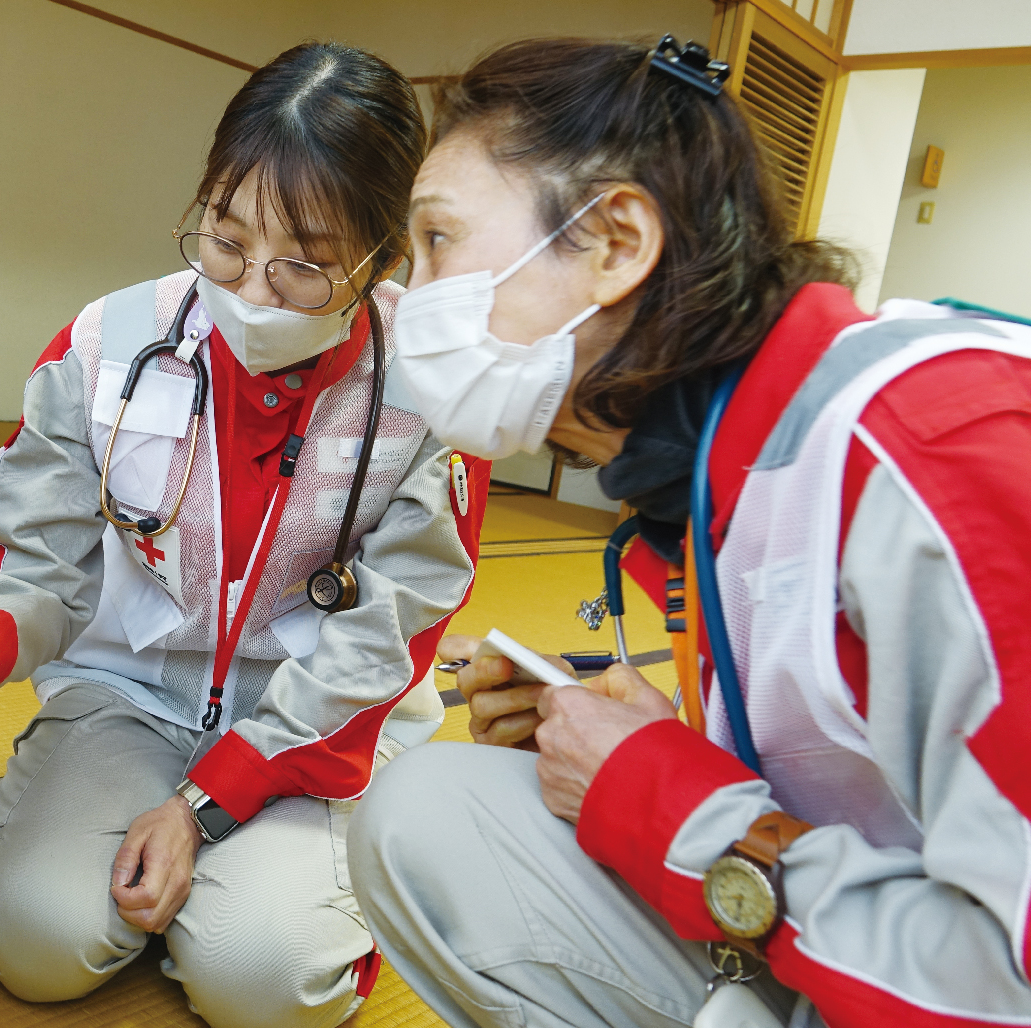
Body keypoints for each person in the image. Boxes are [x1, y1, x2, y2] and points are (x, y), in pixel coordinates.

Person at [348, 36, 1031, 1028]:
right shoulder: (725, 473)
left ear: (619, 242)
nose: (407, 295)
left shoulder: (935, 453)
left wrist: (660, 794)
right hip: (869, 950)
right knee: (434, 806)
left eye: (440, 240)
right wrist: (656, 735)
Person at [0, 43, 487, 1028]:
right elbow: (40, 566)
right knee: (35, 941)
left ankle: (286, 880)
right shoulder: (105, 346)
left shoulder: (436, 404)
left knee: (262, 981)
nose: (254, 292)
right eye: (226, 241)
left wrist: (204, 803)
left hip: (311, 729)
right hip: (128, 697)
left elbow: (382, 644)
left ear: (383, 257)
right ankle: (81, 846)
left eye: (307, 267)